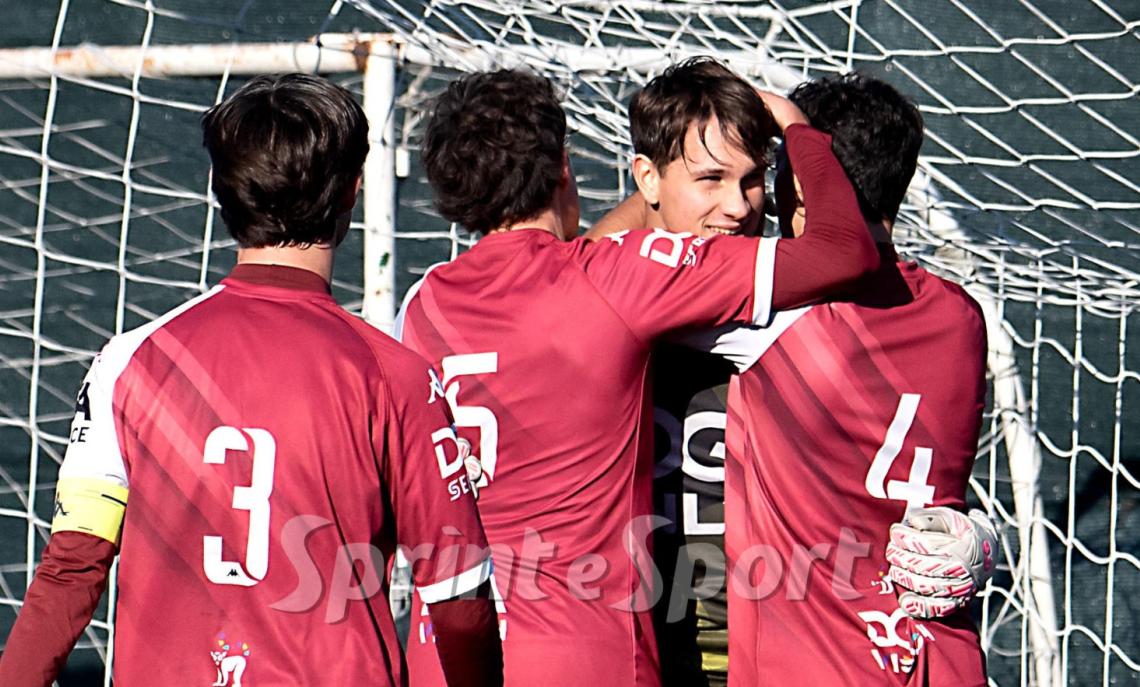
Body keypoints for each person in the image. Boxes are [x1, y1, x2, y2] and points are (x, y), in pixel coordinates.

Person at [0, 74, 502, 687]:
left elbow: (72, 569)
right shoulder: (395, 376)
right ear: (352, 191)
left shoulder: (127, 362)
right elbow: (458, 602)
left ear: (222, 193)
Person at [395, 67, 877, 686]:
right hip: (584, 657)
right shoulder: (614, 278)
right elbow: (843, 252)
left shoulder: (420, 308)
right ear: (564, 168)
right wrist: (796, 126)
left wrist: (662, 173)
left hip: (448, 656)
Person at [587, 61, 997, 686]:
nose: (742, 204)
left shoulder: (779, 312)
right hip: (925, 657)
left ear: (799, 192)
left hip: (808, 658)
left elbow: (586, 273)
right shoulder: (963, 320)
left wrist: (667, 176)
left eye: (762, 180)